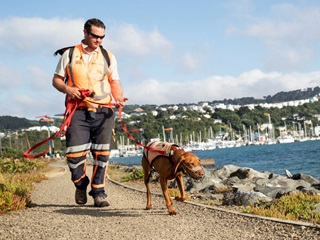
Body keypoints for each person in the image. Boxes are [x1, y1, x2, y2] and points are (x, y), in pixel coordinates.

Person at [52, 18, 126, 207]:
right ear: (85, 32)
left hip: (104, 111)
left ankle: (99, 193)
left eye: (102, 37)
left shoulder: (108, 56)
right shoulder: (69, 54)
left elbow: (114, 82)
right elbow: (57, 80)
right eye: (95, 36)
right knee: (74, 156)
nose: (99, 40)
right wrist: (68, 90)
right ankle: (80, 183)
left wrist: (118, 99)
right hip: (78, 111)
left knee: (102, 155)